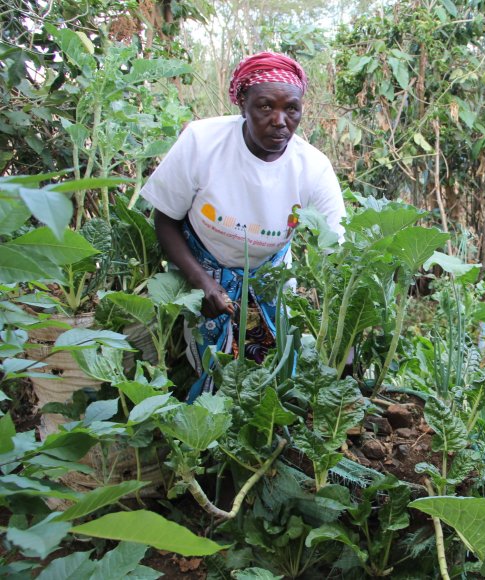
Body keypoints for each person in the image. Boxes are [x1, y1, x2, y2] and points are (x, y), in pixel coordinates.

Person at [140, 52, 346, 399]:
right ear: (242, 105)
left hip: (269, 273)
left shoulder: (313, 168)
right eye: (265, 107)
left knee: (272, 371)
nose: (280, 121)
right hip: (200, 264)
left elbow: (338, 251)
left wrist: (346, 334)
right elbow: (165, 219)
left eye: (291, 109)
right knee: (207, 363)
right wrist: (203, 283)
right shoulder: (203, 143)